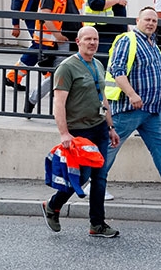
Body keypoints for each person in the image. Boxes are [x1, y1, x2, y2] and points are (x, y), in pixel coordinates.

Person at [101, 7, 161, 201]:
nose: (151, 23)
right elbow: (117, 70)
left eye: (154, 20)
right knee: (110, 147)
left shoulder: (151, 43)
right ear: (138, 20)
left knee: (160, 147)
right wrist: (132, 94)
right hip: (130, 108)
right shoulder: (129, 40)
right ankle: (93, 185)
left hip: (152, 109)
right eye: (147, 19)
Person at [40, 26, 121, 237]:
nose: (92, 43)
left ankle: (97, 224)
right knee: (82, 176)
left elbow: (103, 99)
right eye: (88, 39)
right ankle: (53, 205)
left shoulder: (98, 64)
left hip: (99, 128)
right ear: (78, 41)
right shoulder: (67, 68)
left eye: (95, 39)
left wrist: (111, 127)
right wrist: (64, 133)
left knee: (100, 177)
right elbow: (59, 103)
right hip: (78, 132)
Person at [24, 0, 85, 115]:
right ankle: (32, 99)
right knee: (59, 76)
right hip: (60, 42)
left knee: (73, 75)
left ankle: (70, 110)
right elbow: (45, 15)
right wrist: (58, 36)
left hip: (75, 40)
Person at [6, 0, 52, 90]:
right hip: (32, 17)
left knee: (42, 46)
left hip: (46, 18)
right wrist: (15, 24)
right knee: (41, 45)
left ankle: (14, 77)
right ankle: (50, 79)